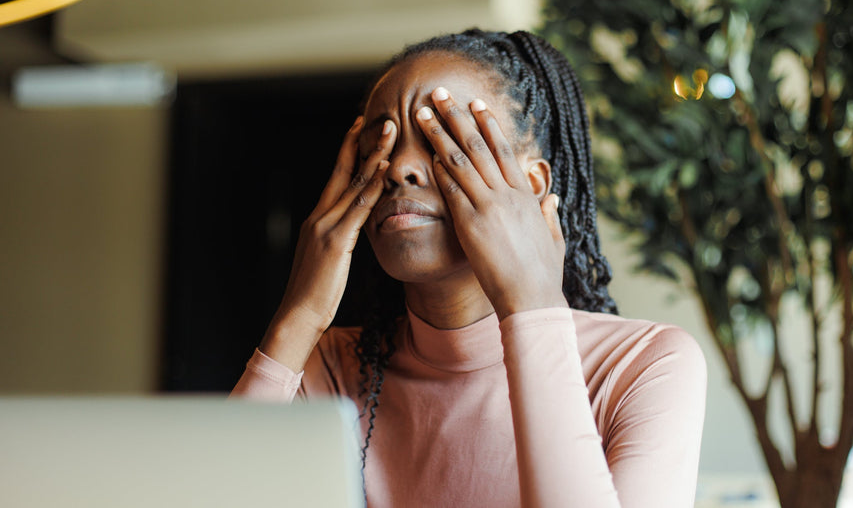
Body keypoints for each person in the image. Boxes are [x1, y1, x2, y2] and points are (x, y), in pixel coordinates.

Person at [230, 29, 707, 508]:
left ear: (533, 185)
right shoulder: (329, 367)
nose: (399, 168)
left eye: (445, 137)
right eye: (380, 147)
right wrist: (300, 315)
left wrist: (533, 304)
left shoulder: (645, 367)